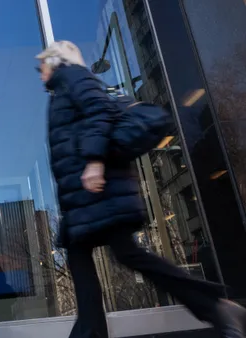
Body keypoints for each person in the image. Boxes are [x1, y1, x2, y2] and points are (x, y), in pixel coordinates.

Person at [38, 41, 246, 338]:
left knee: (123, 256)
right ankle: (216, 307)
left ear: (54, 62)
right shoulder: (63, 89)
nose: (39, 72)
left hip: (99, 194)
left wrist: (95, 161)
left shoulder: (74, 77)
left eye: (41, 64)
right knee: (96, 260)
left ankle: (217, 307)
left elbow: (99, 111)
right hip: (84, 202)